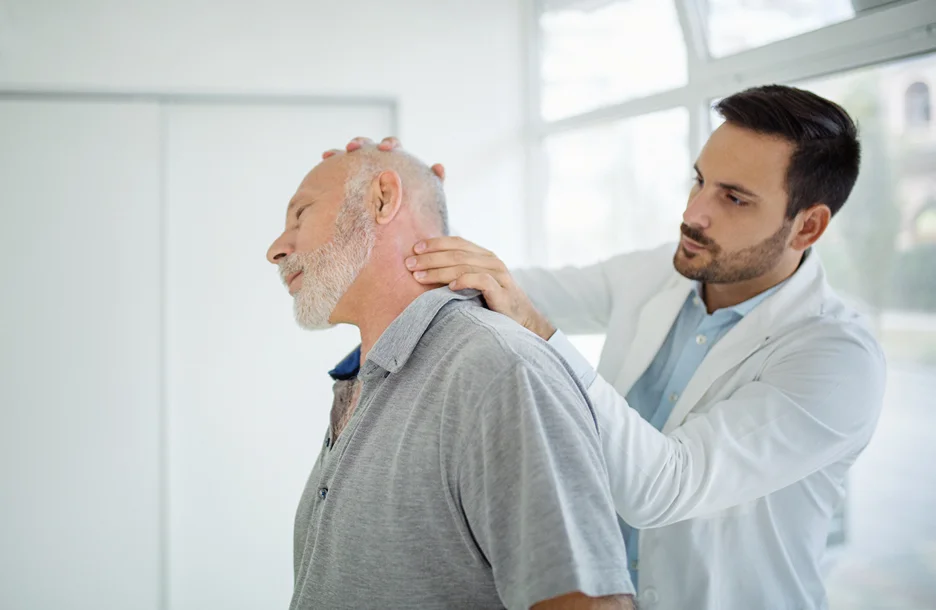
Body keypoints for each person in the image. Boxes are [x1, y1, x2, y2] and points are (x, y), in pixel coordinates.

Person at [327, 85, 887, 609]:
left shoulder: (837, 360)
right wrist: (410, 198)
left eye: (735, 198)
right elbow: (501, 282)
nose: (694, 213)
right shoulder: (659, 273)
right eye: (699, 180)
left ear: (808, 227)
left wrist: (538, 330)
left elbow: (664, 487)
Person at [266, 147, 636, 609]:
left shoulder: (498, 371)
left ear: (383, 199)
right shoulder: (367, 376)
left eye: (300, 214)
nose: (276, 249)